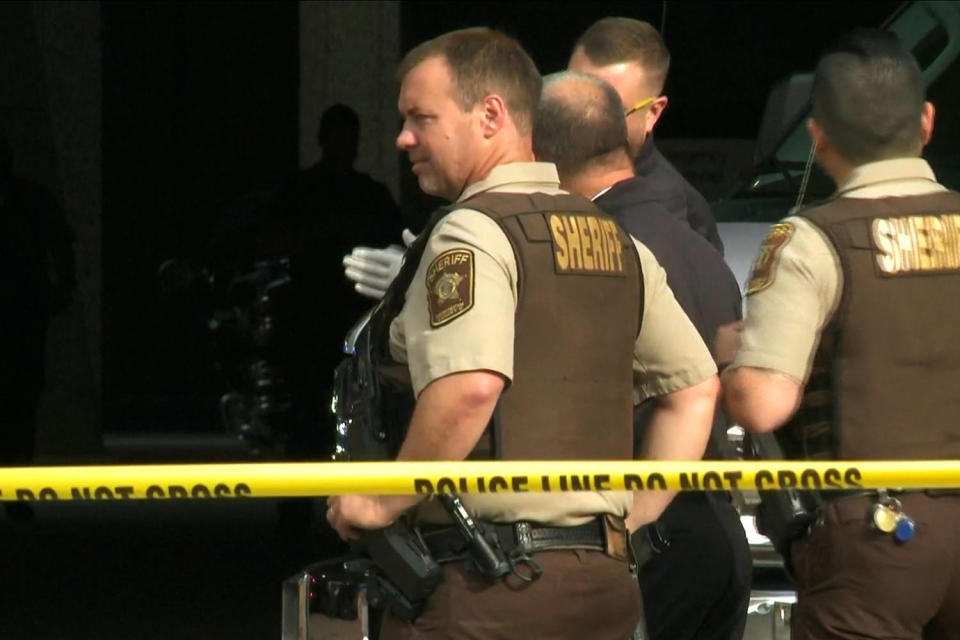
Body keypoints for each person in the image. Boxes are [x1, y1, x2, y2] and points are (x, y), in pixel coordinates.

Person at [325, 27, 720, 639]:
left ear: (490, 114)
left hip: (486, 591)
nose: (403, 138)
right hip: (604, 585)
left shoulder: (471, 234)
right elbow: (695, 390)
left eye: (421, 118)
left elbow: (470, 387)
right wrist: (627, 519)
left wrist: (380, 500)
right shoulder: (615, 240)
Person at [722, 29, 960, 639]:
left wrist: (734, 358)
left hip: (878, 538)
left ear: (817, 135)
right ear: (927, 121)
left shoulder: (812, 240)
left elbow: (764, 403)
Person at [533, 71, 751, 640]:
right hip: (717, 528)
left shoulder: (597, 247)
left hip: (649, 531)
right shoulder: (699, 242)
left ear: (538, 150)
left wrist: (633, 520)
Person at [568, 17, 724, 254]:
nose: (582, 120)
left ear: (653, 113)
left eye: (608, 110)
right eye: (570, 99)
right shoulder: (536, 164)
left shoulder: (671, 213)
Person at [0, 133, 76, 520]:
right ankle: (14, 490)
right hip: (23, 312)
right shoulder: (32, 200)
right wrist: (62, 289)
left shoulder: (31, 201)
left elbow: (61, 245)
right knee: (19, 403)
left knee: (20, 402)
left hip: (22, 313)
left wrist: (62, 288)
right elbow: (61, 245)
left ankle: (13, 488)